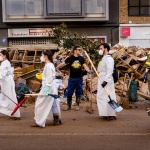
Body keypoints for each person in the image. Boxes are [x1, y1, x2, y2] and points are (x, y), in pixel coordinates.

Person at [32, 50, 61, 127]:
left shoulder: (49, 66)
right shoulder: (48, 65)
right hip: (49, 86)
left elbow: (49, 78)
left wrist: (46, 89)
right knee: (53, 101)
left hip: (49, 86)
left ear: (46, 56)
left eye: (42, 55)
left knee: (40, 103)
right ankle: (56, 118)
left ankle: (39, 120)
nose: (41, 57)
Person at [56, 46, 90, 111]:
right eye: (79, 50)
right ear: (75, 50)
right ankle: (69, 106)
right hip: (72, 78)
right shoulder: (70, 58)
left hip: (79, 78)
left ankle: (77, 105)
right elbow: (63, 63)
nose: (80, 51)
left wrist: (89, 71)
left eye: (80, 50)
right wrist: (56, 67)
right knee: (69, 92)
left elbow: (85, 66)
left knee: (78, 92)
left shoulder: (81, 58)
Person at [97, 43, 116, 120]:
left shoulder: (109, 59)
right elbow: (101, 69)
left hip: (106, 80)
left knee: (109, 96)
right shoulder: (103, 58)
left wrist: (106, 81)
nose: (100, 50)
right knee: (101, 96)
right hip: (101, 79)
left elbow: (110, 71)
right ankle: (104, 113)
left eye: (101, 48)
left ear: (105, 49)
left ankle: (111, 114)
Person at [0, 50, 21, 119]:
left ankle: (14, 113)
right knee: (10, 97)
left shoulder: (5, 63)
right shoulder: (7, 62)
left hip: (6, 82)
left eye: (0, 55)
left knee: (9, 97)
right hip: (7, 81)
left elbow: (2, 74)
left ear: (4, 55)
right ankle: (14, 113)